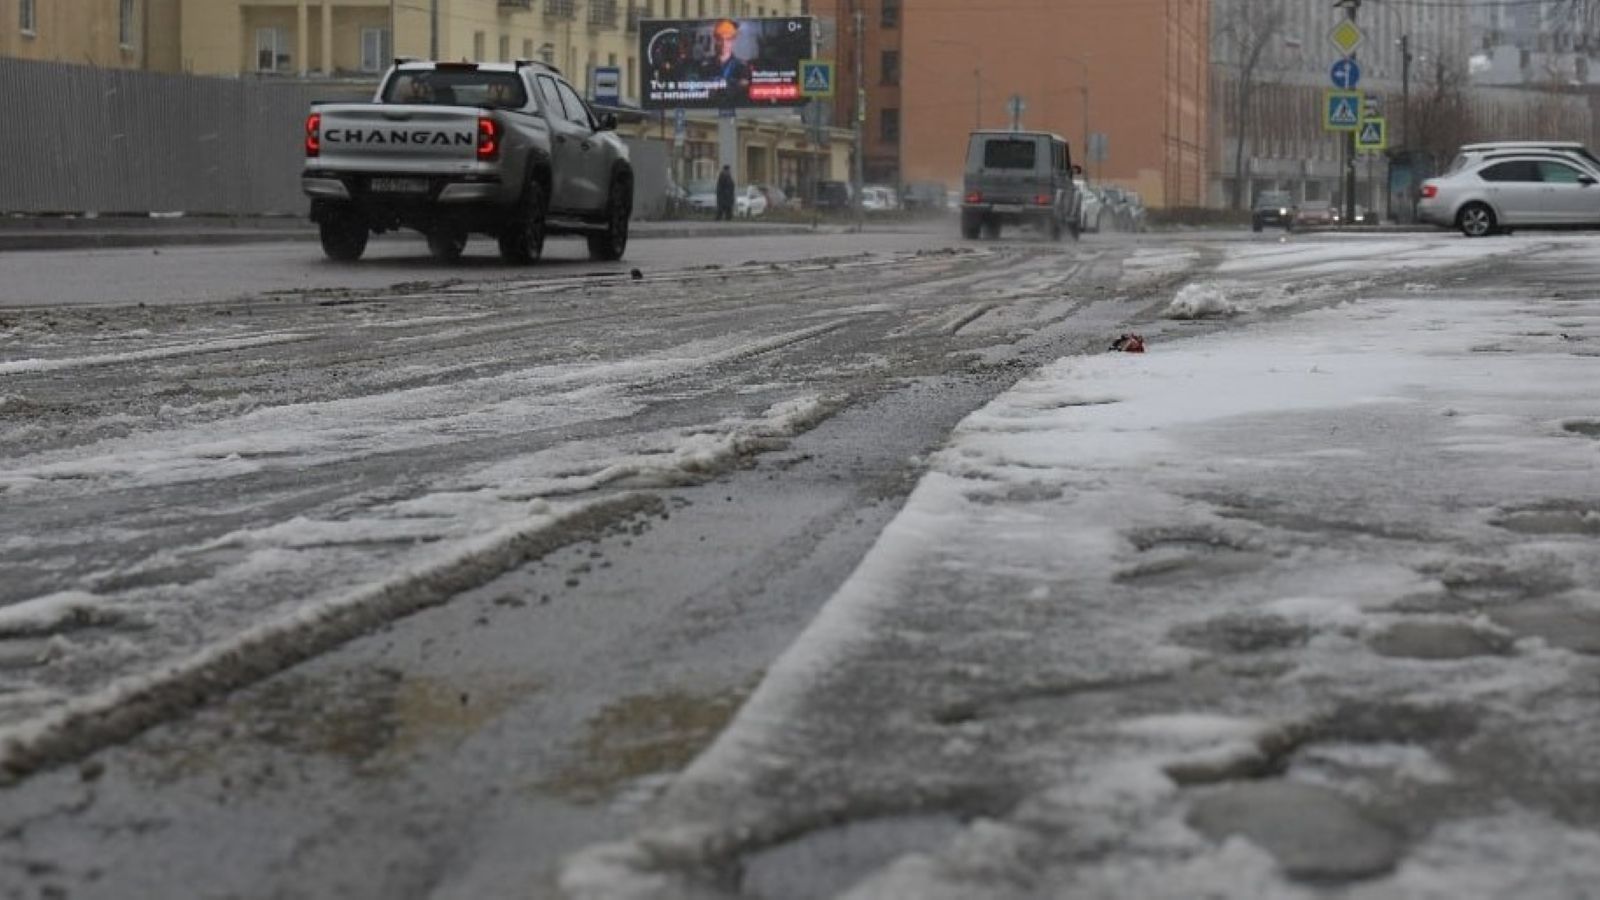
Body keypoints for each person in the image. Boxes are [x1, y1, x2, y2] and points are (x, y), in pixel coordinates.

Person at [704, 19, 752, 105]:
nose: (724, 44)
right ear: (715, 40)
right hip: (709, 107)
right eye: (720, 39)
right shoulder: (705, 65)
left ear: (733, 41)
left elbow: (744, 92)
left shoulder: (742, 67)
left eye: (728, 39)